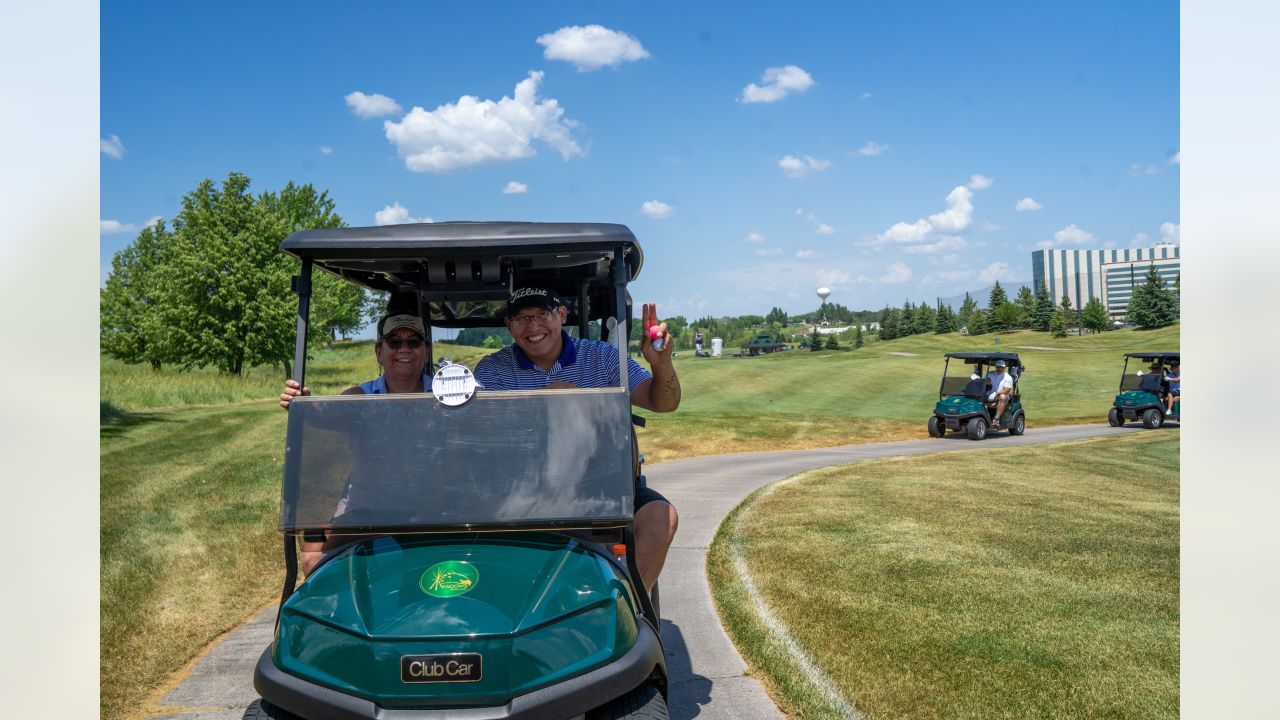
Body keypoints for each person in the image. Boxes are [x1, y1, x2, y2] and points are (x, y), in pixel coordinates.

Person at [474, 287, 681, 592]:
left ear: (561, 315)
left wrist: (661, 364)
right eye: (521, 319)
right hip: (524, 489)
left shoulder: (602, 358)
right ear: (509, 325)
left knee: (661, 517)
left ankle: (625, 607)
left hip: (600, 486)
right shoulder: (493, 369)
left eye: (542, 315)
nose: (533, 327)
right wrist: (546, 400)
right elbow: (485, 428)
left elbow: (663, 402)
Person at [279, 311, 431, 574]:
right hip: (367, 508)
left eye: (413, 342)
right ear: (379, 352)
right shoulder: (360, 397)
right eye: (394, 342)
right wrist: (301, 402)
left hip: (430, 509)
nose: (404, 349)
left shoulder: (443, 396)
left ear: (425, 351)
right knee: (313, 558)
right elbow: (325, 413)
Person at [985, 359, 1014, 429]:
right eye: (998, 367)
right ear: (995, 367)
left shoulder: (1007, 377)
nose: (1000, 368)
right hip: (989, 395)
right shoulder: (990, 374)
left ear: (1004, 368)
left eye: (1001, 367)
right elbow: (983, 383)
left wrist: (996, 393)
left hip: (1002, 395)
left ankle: (996, 419)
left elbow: (1006, 390)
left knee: (1003, 397)